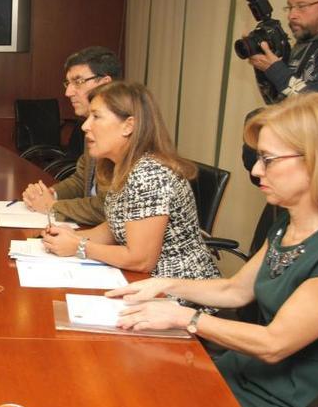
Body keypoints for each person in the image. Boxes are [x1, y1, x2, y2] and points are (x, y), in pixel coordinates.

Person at [109, 93, 318, 407]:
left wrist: (186, 317)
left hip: (292, 403)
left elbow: (275, 343)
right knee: (142, 387)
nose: (256, 171)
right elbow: (234, 291)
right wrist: (164, 284)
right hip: (252, 373)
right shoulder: (288, 225)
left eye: (268, 159)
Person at [42, 81, 220, 284]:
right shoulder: (122, 165)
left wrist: (80, 246)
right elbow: (115, 226)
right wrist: (71, 236)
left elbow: (142, 260)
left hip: (175, 291)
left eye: (96, 117)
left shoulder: (150, 174)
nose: (85, 125)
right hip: (141, 282)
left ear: (128, 126)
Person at [21, 46, 122, 225]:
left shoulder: (123, 134)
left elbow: (108, 207)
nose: (68, 93)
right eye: (68, 83)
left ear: (105, 83)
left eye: (78, 81)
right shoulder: (91, 127)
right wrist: (50, 194)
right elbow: (82, 180)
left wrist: (52, 206)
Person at [248, 0, 318, 104]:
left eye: (301, 6)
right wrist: (263, 65)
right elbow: (277, 103)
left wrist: (276, 70)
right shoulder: (303, 46)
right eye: (289, 7)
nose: (291, 15)